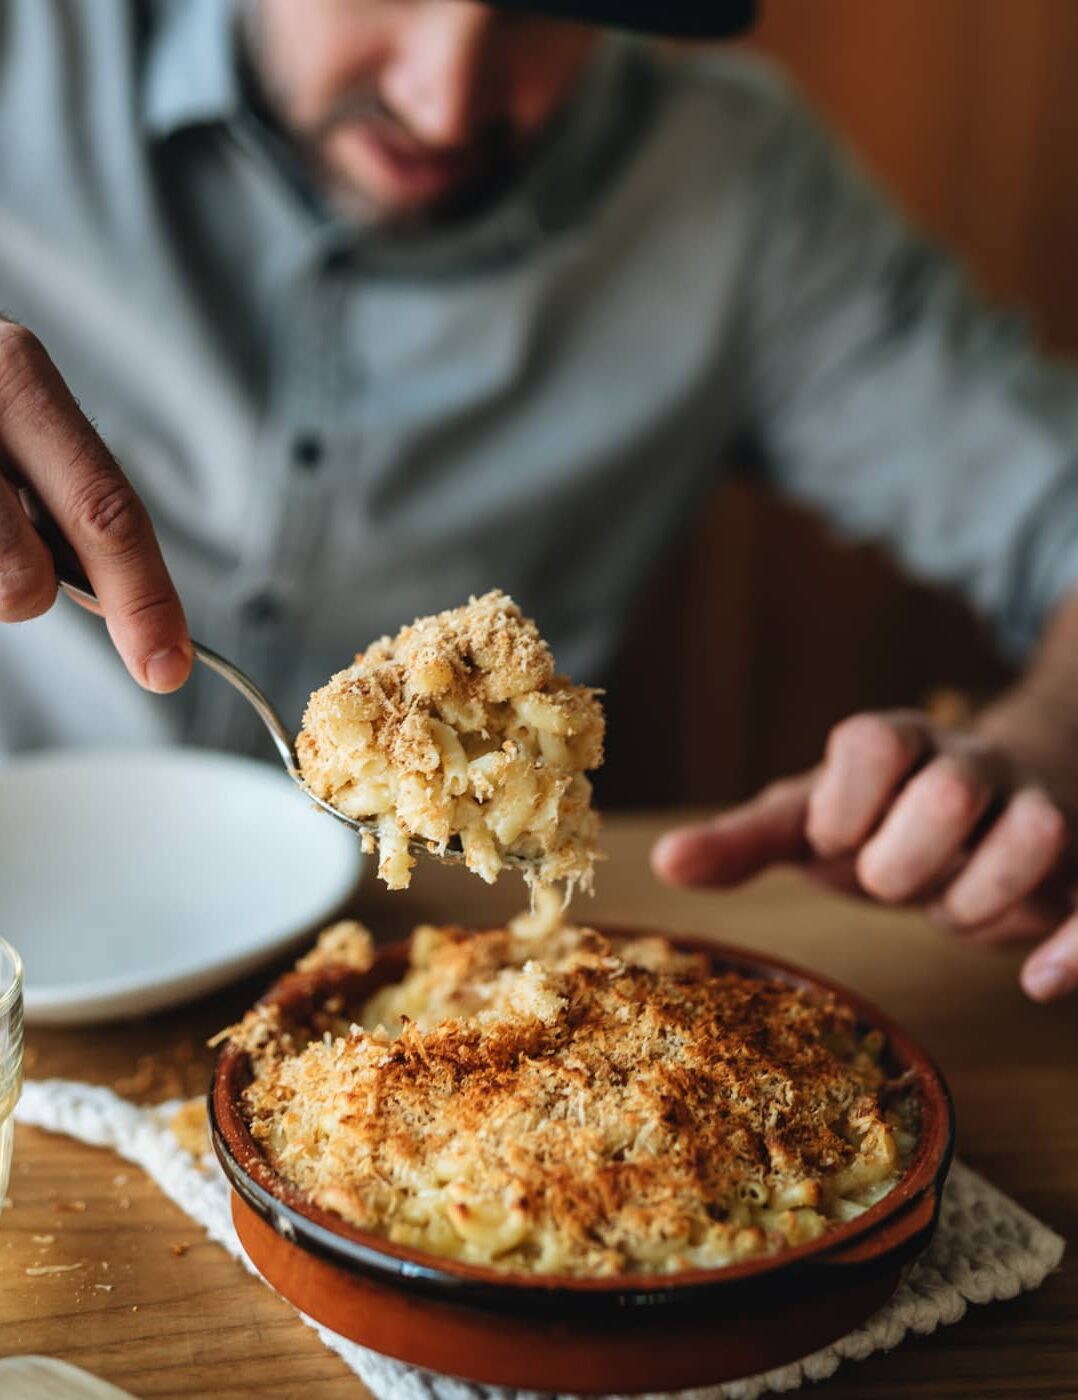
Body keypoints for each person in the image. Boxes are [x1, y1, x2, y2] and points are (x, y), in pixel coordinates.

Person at [2, 0, 1078, 1003]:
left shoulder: (732, 181)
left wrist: (1050, 733)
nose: (444, 100)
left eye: (542, 7)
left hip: (439, 957)